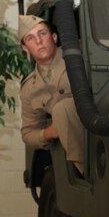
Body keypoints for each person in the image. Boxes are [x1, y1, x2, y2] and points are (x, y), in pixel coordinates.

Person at [18, 14, 85, 175]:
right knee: (61, 110)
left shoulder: (80, 54)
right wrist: (48, 133)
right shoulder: (29, 89)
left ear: (54, 37)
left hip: (103, 124)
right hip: (80, 148)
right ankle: (87, 174)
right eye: (30, 38)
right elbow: (28, 133)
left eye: (42, 33)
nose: (39, 41)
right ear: (25, 48)